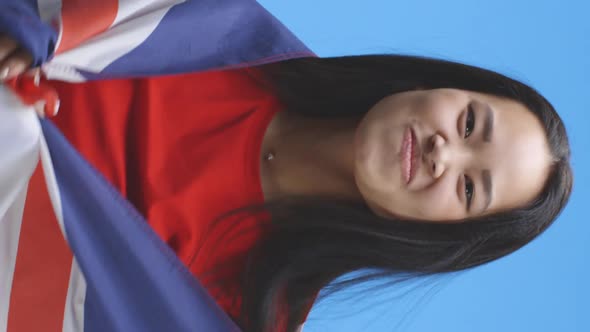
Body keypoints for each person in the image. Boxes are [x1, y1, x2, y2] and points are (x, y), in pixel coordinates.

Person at [0, 37, 573, 332]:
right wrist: (35, 25)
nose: (443, 151)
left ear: (442, 237)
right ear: (439, 85)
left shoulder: (247, 313)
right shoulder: (229, 38)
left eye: (470, 189)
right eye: (469, 122)